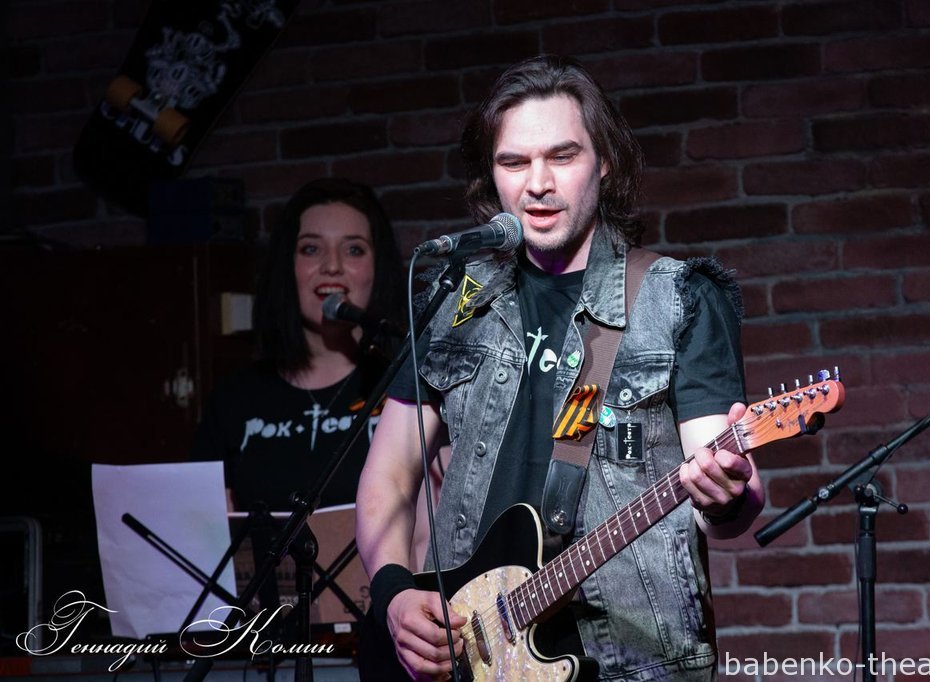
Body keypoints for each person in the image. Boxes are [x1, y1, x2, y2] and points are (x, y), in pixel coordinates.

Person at [355, 55, 765, 681]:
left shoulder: (677, 299)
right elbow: (389, 473)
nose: (537, 184)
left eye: (562, 156)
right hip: (472, 651)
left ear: (605, 162)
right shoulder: (453, 301)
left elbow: (725, 482)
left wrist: (729, 494)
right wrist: (393, 594)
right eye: (513, 162)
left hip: (630, 663)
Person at [192, 176, 402, 513]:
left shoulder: (404, 386)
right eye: (311, 249)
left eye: (353, 249)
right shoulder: (235, 397)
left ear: (377, 267)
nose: (332, 266)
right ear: (287, 267)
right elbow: (205, 523)